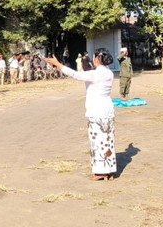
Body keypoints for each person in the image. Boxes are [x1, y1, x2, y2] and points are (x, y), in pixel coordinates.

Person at [45, 48, 117, 181]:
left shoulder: (95, 74)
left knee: (97, 141)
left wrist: (57, 64)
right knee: (108, 140)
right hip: (107, 110)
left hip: (96, 111)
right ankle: (109, 169)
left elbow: (75, 74)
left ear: (97, 59)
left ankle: (101, 172)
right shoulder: (109, 73)